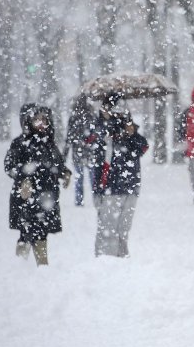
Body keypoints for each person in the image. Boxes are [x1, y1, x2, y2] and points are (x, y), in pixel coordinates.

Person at [5, 105, 71, 266]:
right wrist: (23, 178)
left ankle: (42, 266)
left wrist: (64, 173)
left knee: (42, 231)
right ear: (28, 122)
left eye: (44, 119)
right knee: (26, 231)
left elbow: (56, 164)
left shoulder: (49, 143)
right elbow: (9, 166)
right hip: (27, 197)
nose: (41, 123)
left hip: (47, 195)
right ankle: (20, 265)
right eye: (36, 119)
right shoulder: (20, 143)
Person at [95, 111, 148, 257]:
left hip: (130, 187)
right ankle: (106, 256)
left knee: (124, 225)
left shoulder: (133, 139)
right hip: (111, 189)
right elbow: (99, 162)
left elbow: (143, 147)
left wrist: (131, 134)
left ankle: (122, 253)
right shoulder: (107, 137)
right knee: (109, 226)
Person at [63, 94, 97, 206]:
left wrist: (64, 156)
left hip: (79, 152)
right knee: (91, 179)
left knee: (80, 178)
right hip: (89, 152)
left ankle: (79, 201)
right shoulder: (91, 116)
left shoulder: (74, 117)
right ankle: (95, 199)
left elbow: (69, 138)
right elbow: (96, 134)